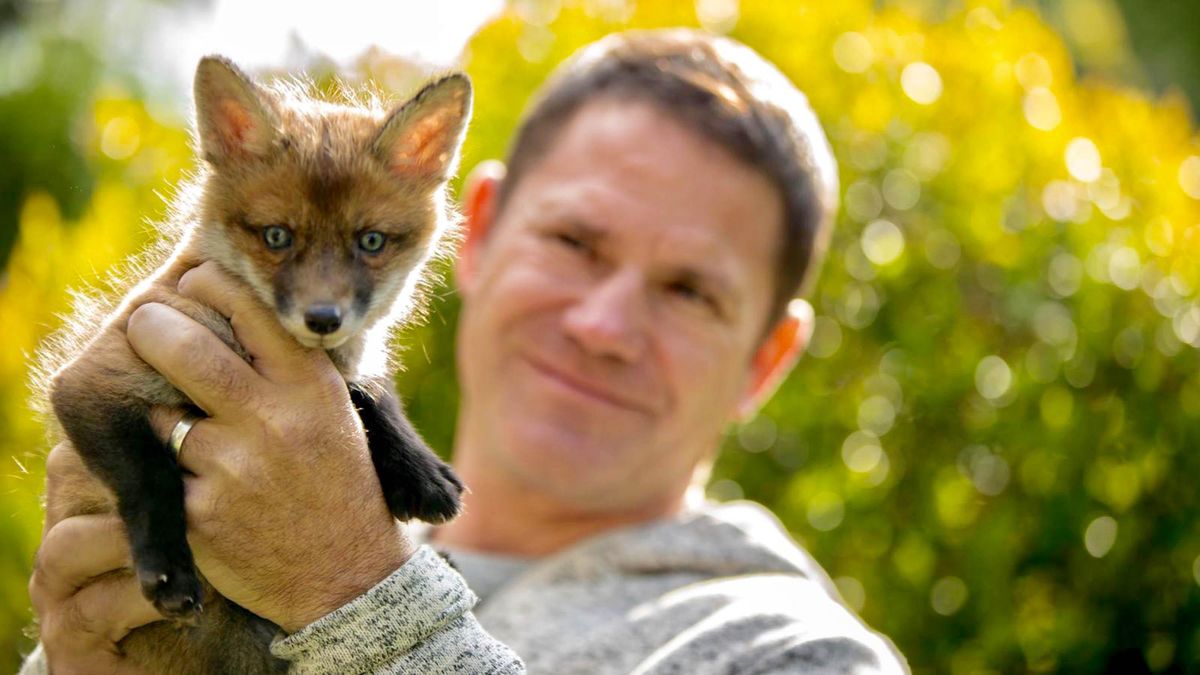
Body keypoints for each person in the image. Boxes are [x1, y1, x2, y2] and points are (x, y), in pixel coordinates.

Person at [22, 29, 907, 674]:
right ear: (476, 235)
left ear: (767, 359)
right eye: (575, 242)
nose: (602, 325)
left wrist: (352, 595)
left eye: (690, 291)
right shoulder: (256, 480)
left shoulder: (793, 653)